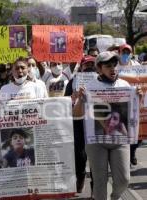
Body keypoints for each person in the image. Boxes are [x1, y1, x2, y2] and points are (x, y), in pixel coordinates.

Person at [73, 51, 142, 200]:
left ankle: (115, 196)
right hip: (96, 142)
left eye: (115, 65)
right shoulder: (89, 87)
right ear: (99, 68)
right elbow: (76, 114)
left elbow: (133, 112)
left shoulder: (125, 85)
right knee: (99, 182)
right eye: (108, 65)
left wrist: (138, 98)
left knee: (124, 179)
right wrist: (80, 99)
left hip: (120, 140)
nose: (113, 69)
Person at [64, 55, 96, 194]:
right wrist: (73, 97)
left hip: (96, 122)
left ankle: (96, 186)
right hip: (78, 122)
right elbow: (65, 102)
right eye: (86, 65)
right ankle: (80, 176)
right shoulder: (73, 82)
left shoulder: (101, 81)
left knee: (96, 156)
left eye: (92, 65)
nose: (89, 67)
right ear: (81, 67)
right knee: (80, 155)